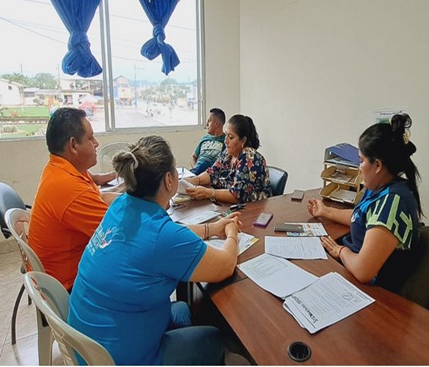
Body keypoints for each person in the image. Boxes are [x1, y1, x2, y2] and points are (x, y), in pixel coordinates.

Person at [68, 135, 241, 365]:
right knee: (213, 337)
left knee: (182, 309)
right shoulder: (162, 237)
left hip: (87, 344)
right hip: (119, 358)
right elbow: (225, 264)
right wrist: (231, 232)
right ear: (169, 180)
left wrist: (211, 228)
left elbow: (169, 234)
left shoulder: (121, 204)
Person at [308, 113, 423, 292]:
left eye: (361, 161)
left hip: (373, 291)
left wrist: (340, 251)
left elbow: (363, 271)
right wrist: (325, 211)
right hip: (352, 269)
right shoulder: (379, 187)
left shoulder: (392, 202)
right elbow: (361, 218)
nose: (359, 167)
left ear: (377, 165)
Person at [29, 107, 119, 291]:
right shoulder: (69, 187)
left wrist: (132, 200)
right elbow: (121, 234)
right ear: (73, 145)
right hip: (69, 287)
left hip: (67, 272)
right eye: (90, 138)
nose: (96, 143)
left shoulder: (62, 169)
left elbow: (101, 197)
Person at [185, 114, 273, 204]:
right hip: (229, 205)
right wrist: (195, 180)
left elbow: (237, 195)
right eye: (226, 135)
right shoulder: (228, 153)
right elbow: (213, 172)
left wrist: (209, 193)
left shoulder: (249, 158)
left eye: (231, 137)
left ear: (243, 140)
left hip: (252, 208)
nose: (225, 141)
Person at [190, 108, 226, 175]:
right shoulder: (204, 138)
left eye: (209, 121)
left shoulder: (226, 140)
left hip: (211, 173)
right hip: (197, 171)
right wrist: (195, 169)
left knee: (205, 164)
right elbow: (194, 157)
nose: (207, 124)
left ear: (217, 123)